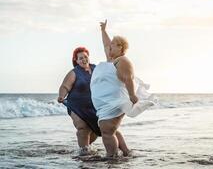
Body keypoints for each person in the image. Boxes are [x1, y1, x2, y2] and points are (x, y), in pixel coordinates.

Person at [90, 20, 155, 158]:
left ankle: (112, 158)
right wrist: (103, 31)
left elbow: (128, 78)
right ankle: (125, 153)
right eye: (110, 45)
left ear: (120, 48)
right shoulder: (112, 60)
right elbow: (106, 44)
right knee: (108, 129)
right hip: (107, 103)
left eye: (113, 45)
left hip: (115, 102)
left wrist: (132, 95)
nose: (109, 47)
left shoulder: (122, 61)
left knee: (107, 130)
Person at [57, 47, 101, 156]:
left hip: (94, 106)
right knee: (83, 128)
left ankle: (82, 148)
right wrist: (61, 96)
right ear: (76, 60)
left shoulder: (96, 69)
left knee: (96, 131)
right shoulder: (74, 72)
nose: (84, 59)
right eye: (80, 58)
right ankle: (84, 155)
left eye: (85, 57)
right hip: (76, 106)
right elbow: (65, 86)